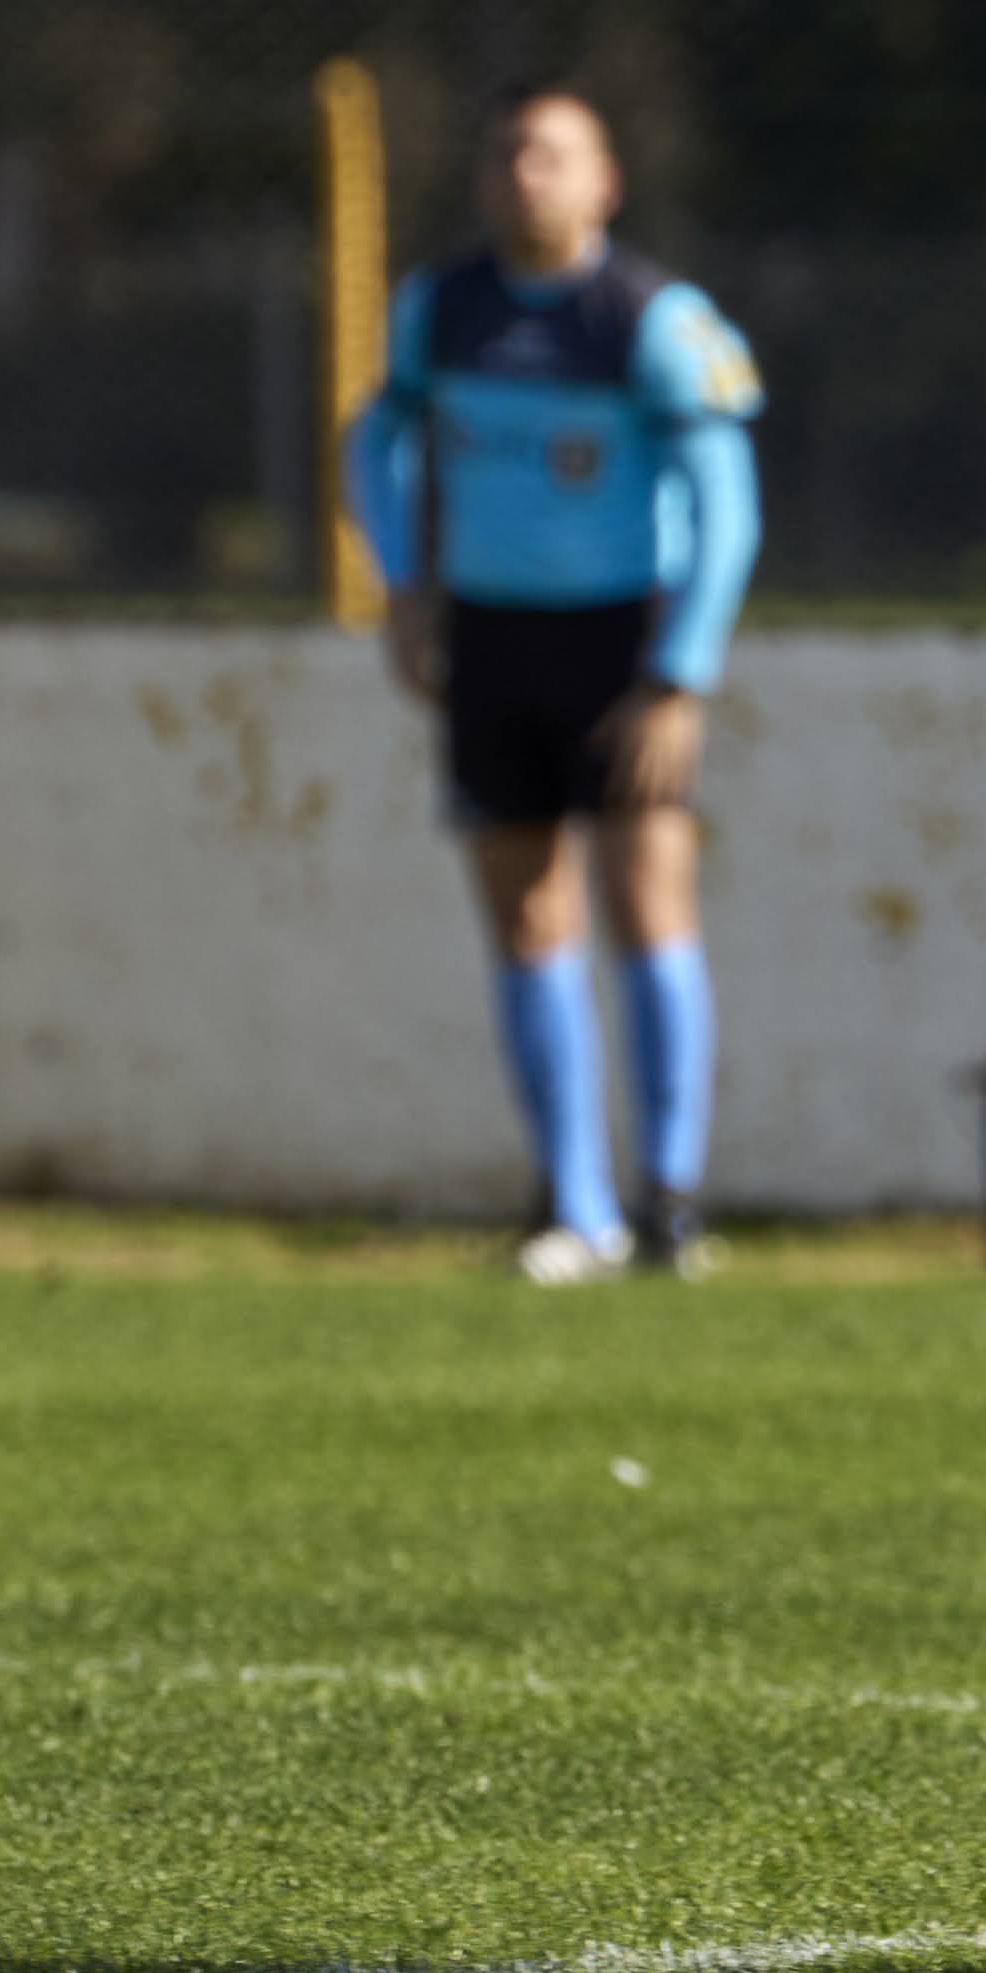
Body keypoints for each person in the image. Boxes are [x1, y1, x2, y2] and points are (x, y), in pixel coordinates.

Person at [347, 84, 765, 1284]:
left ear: (605, 184)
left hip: (622, 645)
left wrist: (680, 674)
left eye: (554, 156)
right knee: (528, 916)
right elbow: (375, 441)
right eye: (508, 153)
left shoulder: (651, 318)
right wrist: (403, 580)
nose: (526, 174)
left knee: (648, 901)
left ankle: (670, 1201)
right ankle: (574, 1208)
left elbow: (728, 507)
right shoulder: (442, 308)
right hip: (491, 638)